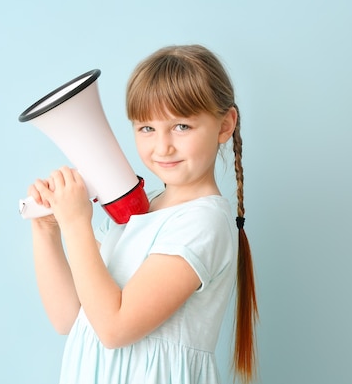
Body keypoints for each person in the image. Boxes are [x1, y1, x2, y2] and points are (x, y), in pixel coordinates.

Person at [27, 44, 258, 384]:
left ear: (225, 126)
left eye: (181, 127)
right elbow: (69, 317)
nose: (162, 146)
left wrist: (76, 223)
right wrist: (47, 230)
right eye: (146, 128)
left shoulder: (202, 223)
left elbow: (114, 328)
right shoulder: (141, 210)